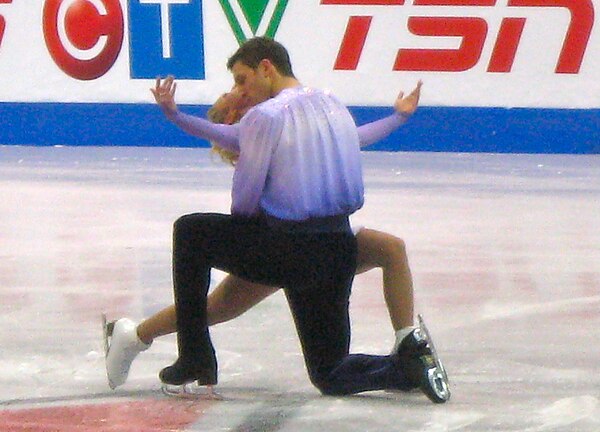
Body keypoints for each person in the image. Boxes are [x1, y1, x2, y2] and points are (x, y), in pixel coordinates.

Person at [110, 37, 448, 401]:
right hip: (336, 249)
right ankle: (404, 366)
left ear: (266, 68)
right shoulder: (331, 104)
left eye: (242, 80)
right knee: (329, 373)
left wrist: (252, 228)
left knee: (192, 233)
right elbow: (355, 138)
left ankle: (190, 356)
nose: (240, 91)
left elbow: (243, 203)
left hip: (288, 247)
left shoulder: (266, 117)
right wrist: (398, 117)